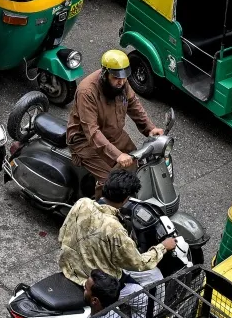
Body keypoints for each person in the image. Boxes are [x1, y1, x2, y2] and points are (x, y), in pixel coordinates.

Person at [58, 166, 180, 284]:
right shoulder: (115, 229)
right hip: (96, 282)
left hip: (69, 267)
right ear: (126, 199)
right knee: (154, 276)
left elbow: (62, 234)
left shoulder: (82, 203)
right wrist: (163, 246)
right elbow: (140, 263)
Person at [66, 51, 162, 193]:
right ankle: (102, 211)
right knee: (112, 183)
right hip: (85, 142)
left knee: (139, 165)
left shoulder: (122, 82)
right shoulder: (87, 92)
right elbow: (92, 132)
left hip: (114, 135)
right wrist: (118, 155)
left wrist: (150, 128)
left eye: (124, 78)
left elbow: (134, 104)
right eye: (116, 77)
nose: (121, 82)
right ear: (105, 73)